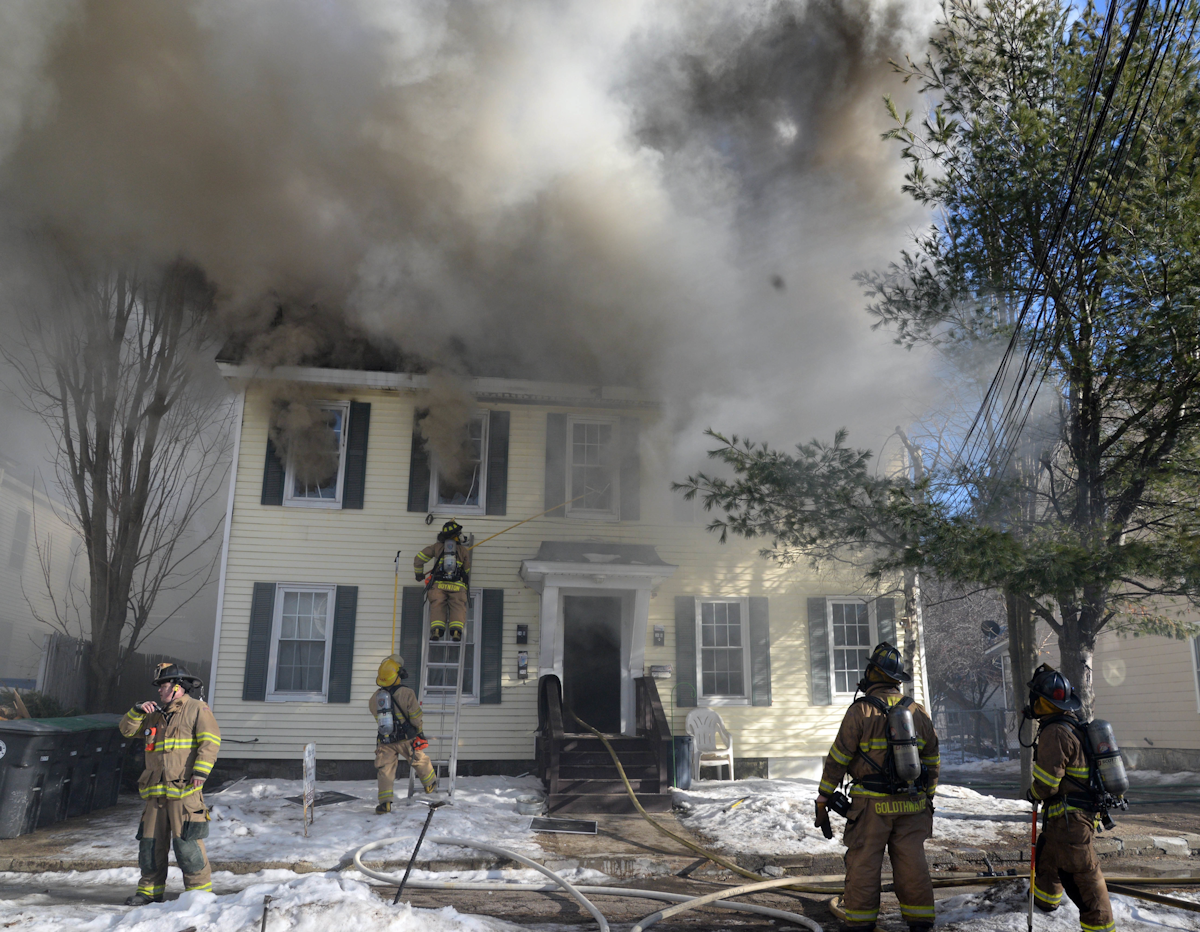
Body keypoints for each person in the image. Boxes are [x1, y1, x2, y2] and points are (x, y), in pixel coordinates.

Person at [815, 643, 940, 932]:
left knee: (864, 864)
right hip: (912, 804)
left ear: (873, 673)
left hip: (871, 807)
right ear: (896, 679)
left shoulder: (860, 711)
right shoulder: (918, 712)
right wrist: (928, 798)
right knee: (912, 864)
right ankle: (920, 922)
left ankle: (860, 924)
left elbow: (838, 759)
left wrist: (823, 798)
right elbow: (932, 759)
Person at [118, 663, 220, 905]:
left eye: (163, 686)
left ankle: (199, 893)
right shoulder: (154, 713)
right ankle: (149, 892)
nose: (159, 691)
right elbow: (126, 731)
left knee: (187, 844)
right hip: (156, 792)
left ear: (177, 687)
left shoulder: (197, 709)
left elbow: (210, 742)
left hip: (184, 791)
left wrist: (201, 772)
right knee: (150, 845)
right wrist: (136, 711)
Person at [1026, 664, 1115, 932]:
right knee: (1048, 854)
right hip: (1066, 818)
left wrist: (1033, 793)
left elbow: (1047, 783)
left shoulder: (1055, 731)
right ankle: (1045, 900)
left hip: (1071, 819)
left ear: (1042, 701)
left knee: (1082, 876)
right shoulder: (1071, 725)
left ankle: (1100, 926)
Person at [370, 653, 436, 811]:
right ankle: (430, 784)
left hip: (385, 740)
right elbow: (415, 716)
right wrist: (419, 732)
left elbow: (378, 718)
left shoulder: (375, 698)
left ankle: (385, 803)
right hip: (406, 739)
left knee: (385, 770)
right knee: (419, 759)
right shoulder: (407, 693)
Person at [413, 519, 471, 641]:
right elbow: (466, 570)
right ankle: (456, 632)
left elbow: (418, 559)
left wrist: (419, 574)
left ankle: (437, 631)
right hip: (457, 586)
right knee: (457, 606)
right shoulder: (463, 550)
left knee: (438, 606)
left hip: (438, 585)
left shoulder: (436, 547)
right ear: (456, 535)